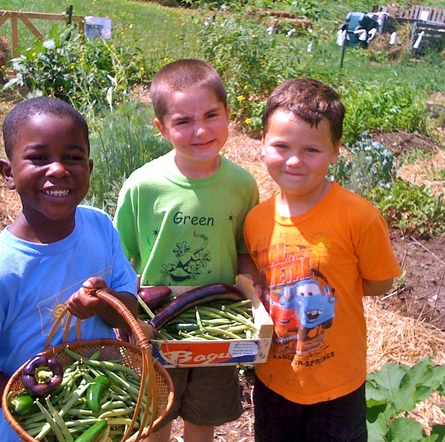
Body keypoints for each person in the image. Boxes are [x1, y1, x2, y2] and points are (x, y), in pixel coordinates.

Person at [0, 97, 139, 441]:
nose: (59, 169)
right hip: (28, 431)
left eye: (73, 157)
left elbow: (130, 311)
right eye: (38, 158)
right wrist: (43, 412)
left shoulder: (100, 228)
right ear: (8, 173)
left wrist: (106, 301)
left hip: (99, 421)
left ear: (90, 168)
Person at [243, 78, 402, 442]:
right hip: (273, 380)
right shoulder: (256, 220)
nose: (295, 160)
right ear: (263, 143)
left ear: (335, 152)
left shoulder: (358, 217)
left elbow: (380, 283)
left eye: (312, 150)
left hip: (337, 384)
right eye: (281, 145)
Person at [113, 58, 260, 442]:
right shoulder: (143, 185)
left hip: (217, 324)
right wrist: (121, 316)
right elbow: (120, 257)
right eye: (182, 121)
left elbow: (244, 249)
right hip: (156, 321)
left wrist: (254, 292)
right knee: (154, 416)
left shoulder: (241, 185)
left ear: (229, 114)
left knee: (203, 415)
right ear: (162, 128)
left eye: (212, 115)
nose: (200, 130)